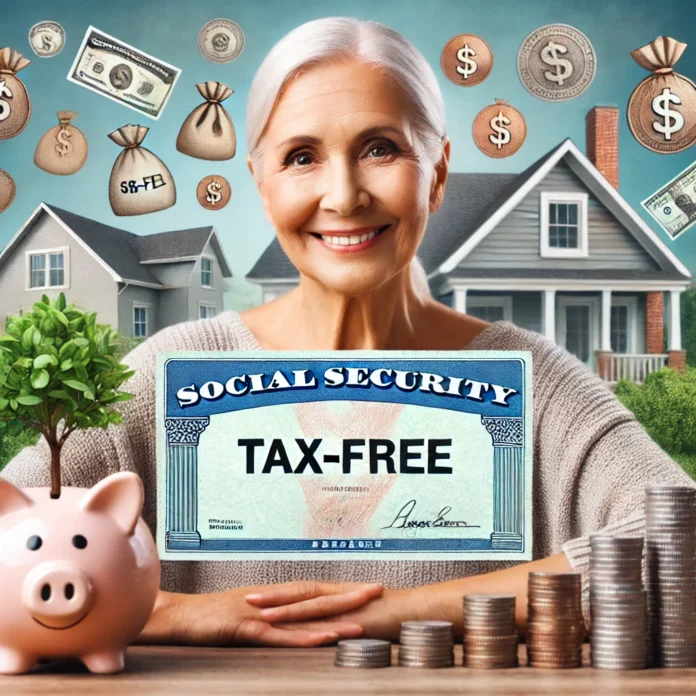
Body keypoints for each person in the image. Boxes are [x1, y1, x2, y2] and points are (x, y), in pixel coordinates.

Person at [2, 16, 693, 647]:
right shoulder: (168, 375)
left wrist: (395, 610)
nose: (343, 195)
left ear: (439, 172)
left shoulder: (532, 382)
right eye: (301, 156)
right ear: (260, 182)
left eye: (380, 149)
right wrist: (180, 612)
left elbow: (682, 538)